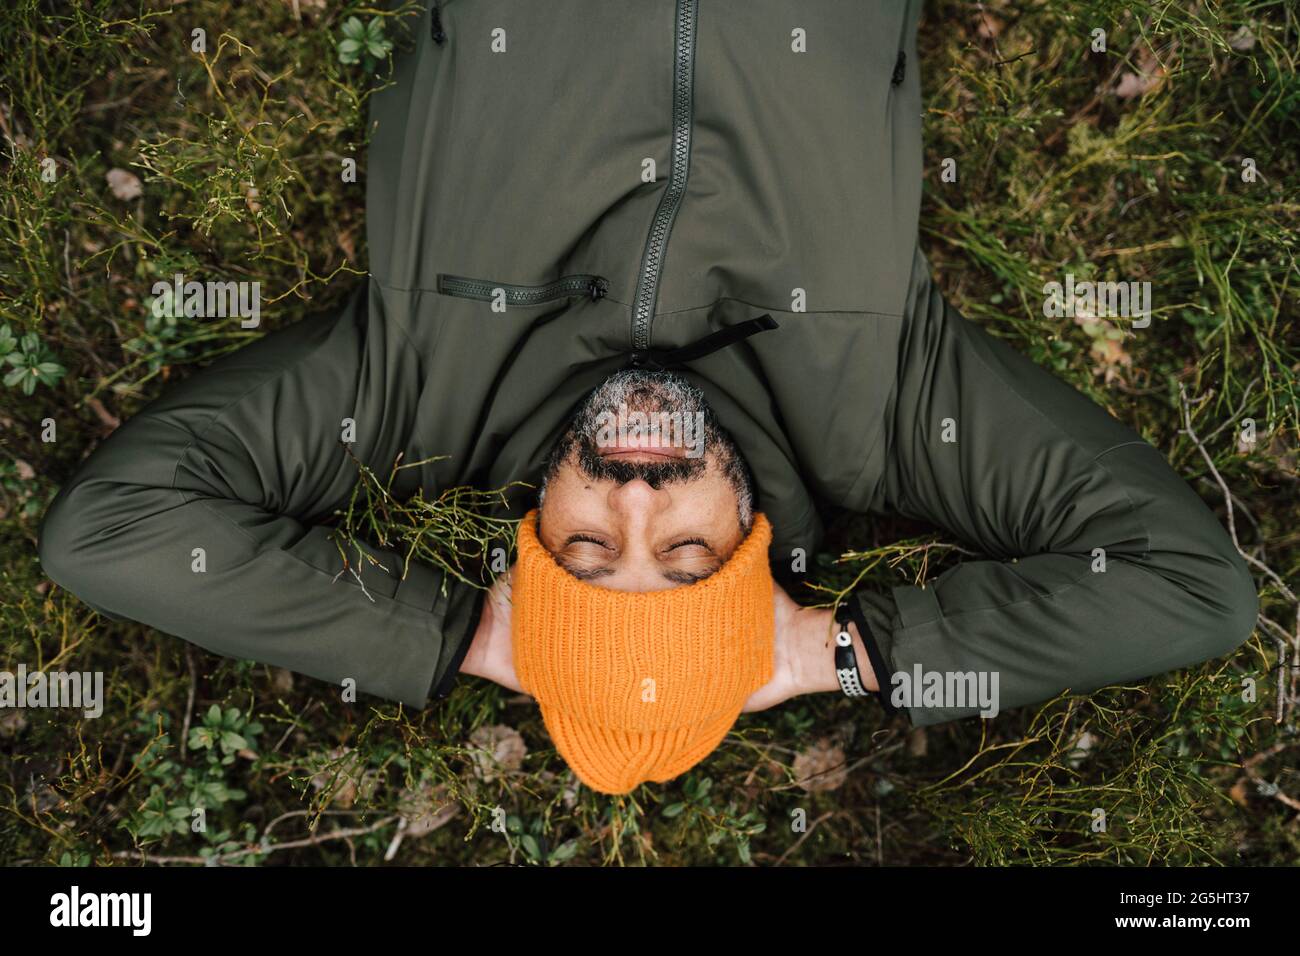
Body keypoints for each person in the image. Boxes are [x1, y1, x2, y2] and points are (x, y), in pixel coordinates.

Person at [37, 1, 1257, 794]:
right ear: (755, 556)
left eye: (584, 546)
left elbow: (113, 529)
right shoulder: (889, 410)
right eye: (682, 555)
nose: (637, 493)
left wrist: (448, 635)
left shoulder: (409, 391)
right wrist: (854, 649)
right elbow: (1188, 587)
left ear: (523, 549)